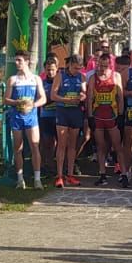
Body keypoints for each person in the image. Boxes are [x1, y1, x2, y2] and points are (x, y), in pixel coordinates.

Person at [5, 52, 46, 190]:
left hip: (31, 117)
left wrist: (32, 104)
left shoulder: (36, 79)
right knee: (18, 148)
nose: (17, 63)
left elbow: (43, 98)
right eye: (16, 60)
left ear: (27, 61)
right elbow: (5, 99)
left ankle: (37, 179)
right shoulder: (13, 79)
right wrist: (18, 102)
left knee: (35, 146)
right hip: (16, 117)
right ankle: (20, 179)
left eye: (19, 60)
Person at [89, 52, 128, 188]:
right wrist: (89, 117)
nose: (103, 69)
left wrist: (121, 115)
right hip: (98, 116)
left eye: (105, 66)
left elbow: (120, 97)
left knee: (118, 146)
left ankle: (124, 174)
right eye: (100, 65)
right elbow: (89, 98)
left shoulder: (116, 76)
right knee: (101, 146)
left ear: (110, 65)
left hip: (112, 116)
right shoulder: (93, 78)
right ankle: (102, 174)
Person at [51, 52, 87, 188]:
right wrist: (67, 99)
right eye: (76, 68)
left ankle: (70, 174)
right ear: (70, 65)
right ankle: (59, 175)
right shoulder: (60, 75)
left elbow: (84, 92)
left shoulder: (82, 76)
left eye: (80, 68)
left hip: (76, 112)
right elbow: (53, 95)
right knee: (62, 143)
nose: (78, 71)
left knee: (72, 145)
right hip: (63, 112)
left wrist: (82, 96)